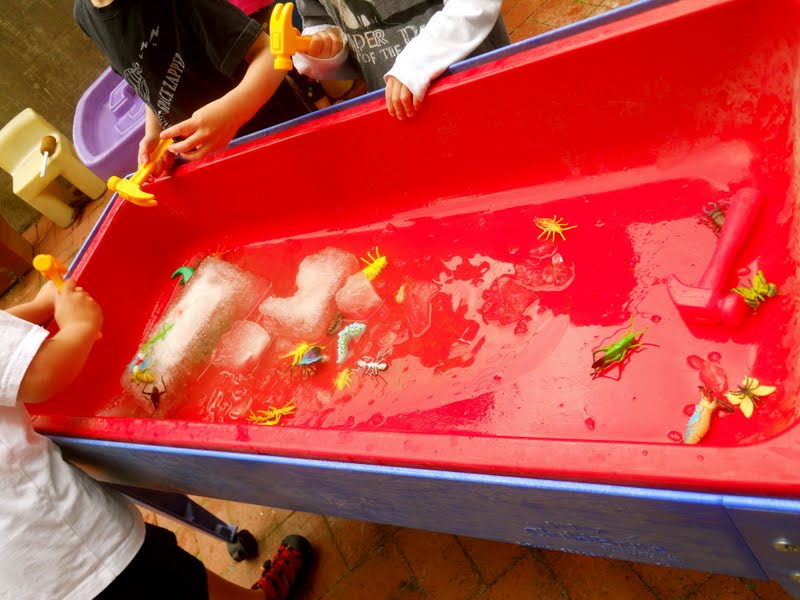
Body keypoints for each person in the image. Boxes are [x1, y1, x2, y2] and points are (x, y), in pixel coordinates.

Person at [1, 279, 312, 599]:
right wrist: (80, 325)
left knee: (184, 581)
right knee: (169, 580)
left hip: (24, 582)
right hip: (82, 550)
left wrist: (38, 307)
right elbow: (43, 374)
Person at [73, 0, 311, 175]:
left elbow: (270, 52)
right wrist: (155, 134)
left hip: (278, 138)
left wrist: (235, 111)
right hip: (220, 163)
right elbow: (147, 78)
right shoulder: (84, 15)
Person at [293, 0, 510, 120]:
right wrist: (323, 47)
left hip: (478, 86)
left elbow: (474, 5)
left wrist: (417, 62)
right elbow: (319, 17)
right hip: (399, 109)